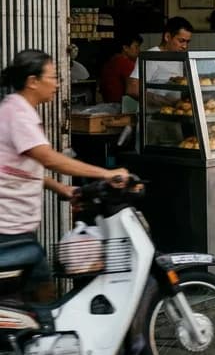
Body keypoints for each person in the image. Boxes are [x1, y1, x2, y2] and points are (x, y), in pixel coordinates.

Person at [0, 50, 128, 295]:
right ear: (33, 81)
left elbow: (18, 168)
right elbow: (48, 158)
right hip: (8, 229)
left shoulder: (18, 109)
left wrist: (61, 188)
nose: (58, 84)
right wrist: (106, 174)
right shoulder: (18, 114)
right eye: (53, 77)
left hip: (14, 227)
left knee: (31, 297)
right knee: (43, 295)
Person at [126, 16, 193, 99]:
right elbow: (132, 89)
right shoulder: (150, 56)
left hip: (174, 106)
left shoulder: (179, 57)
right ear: (167, 37)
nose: (185, 46)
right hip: (156, 107)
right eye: (181, 41)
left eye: (187, 42)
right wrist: (161, 101)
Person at [100, 33, 142, 103]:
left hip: (108, 103)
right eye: (136, 47)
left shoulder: (113, 60)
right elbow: (133, 91)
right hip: (119, 105)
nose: (139, 50)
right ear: (125, 48)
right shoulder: (125, 62)